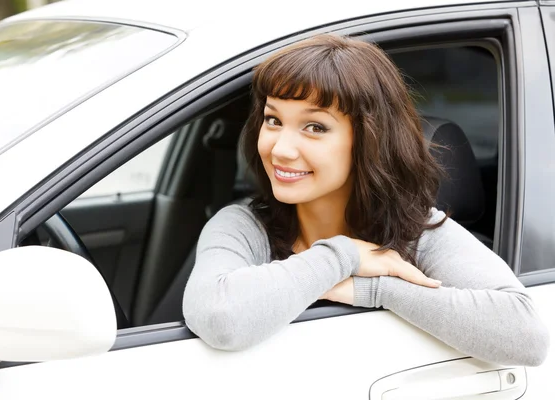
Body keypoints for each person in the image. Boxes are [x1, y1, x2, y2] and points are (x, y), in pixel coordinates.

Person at [182, 34, 549, 366]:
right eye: (273, 120)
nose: (280, 148)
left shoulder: (418, 233)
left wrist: (374, 289)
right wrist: (347, 256)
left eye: (315, 127)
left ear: (369, 142)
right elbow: (220, 318)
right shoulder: (244, 226)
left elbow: (526, 336)